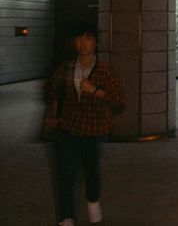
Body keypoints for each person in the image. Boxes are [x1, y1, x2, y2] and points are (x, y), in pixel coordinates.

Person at [46, 22, 124, 226]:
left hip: (95, 128)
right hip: (68, 127)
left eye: (87, 39)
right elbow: (54, 93)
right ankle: (67, 217)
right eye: (78, 39)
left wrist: (95, 90)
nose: (82, 44)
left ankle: (93, 203)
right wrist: (53, 116)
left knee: (91, 171)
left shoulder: (106, 70)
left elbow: (118, 101)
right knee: (66, 174)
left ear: (95, 43)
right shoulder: (65, 68)